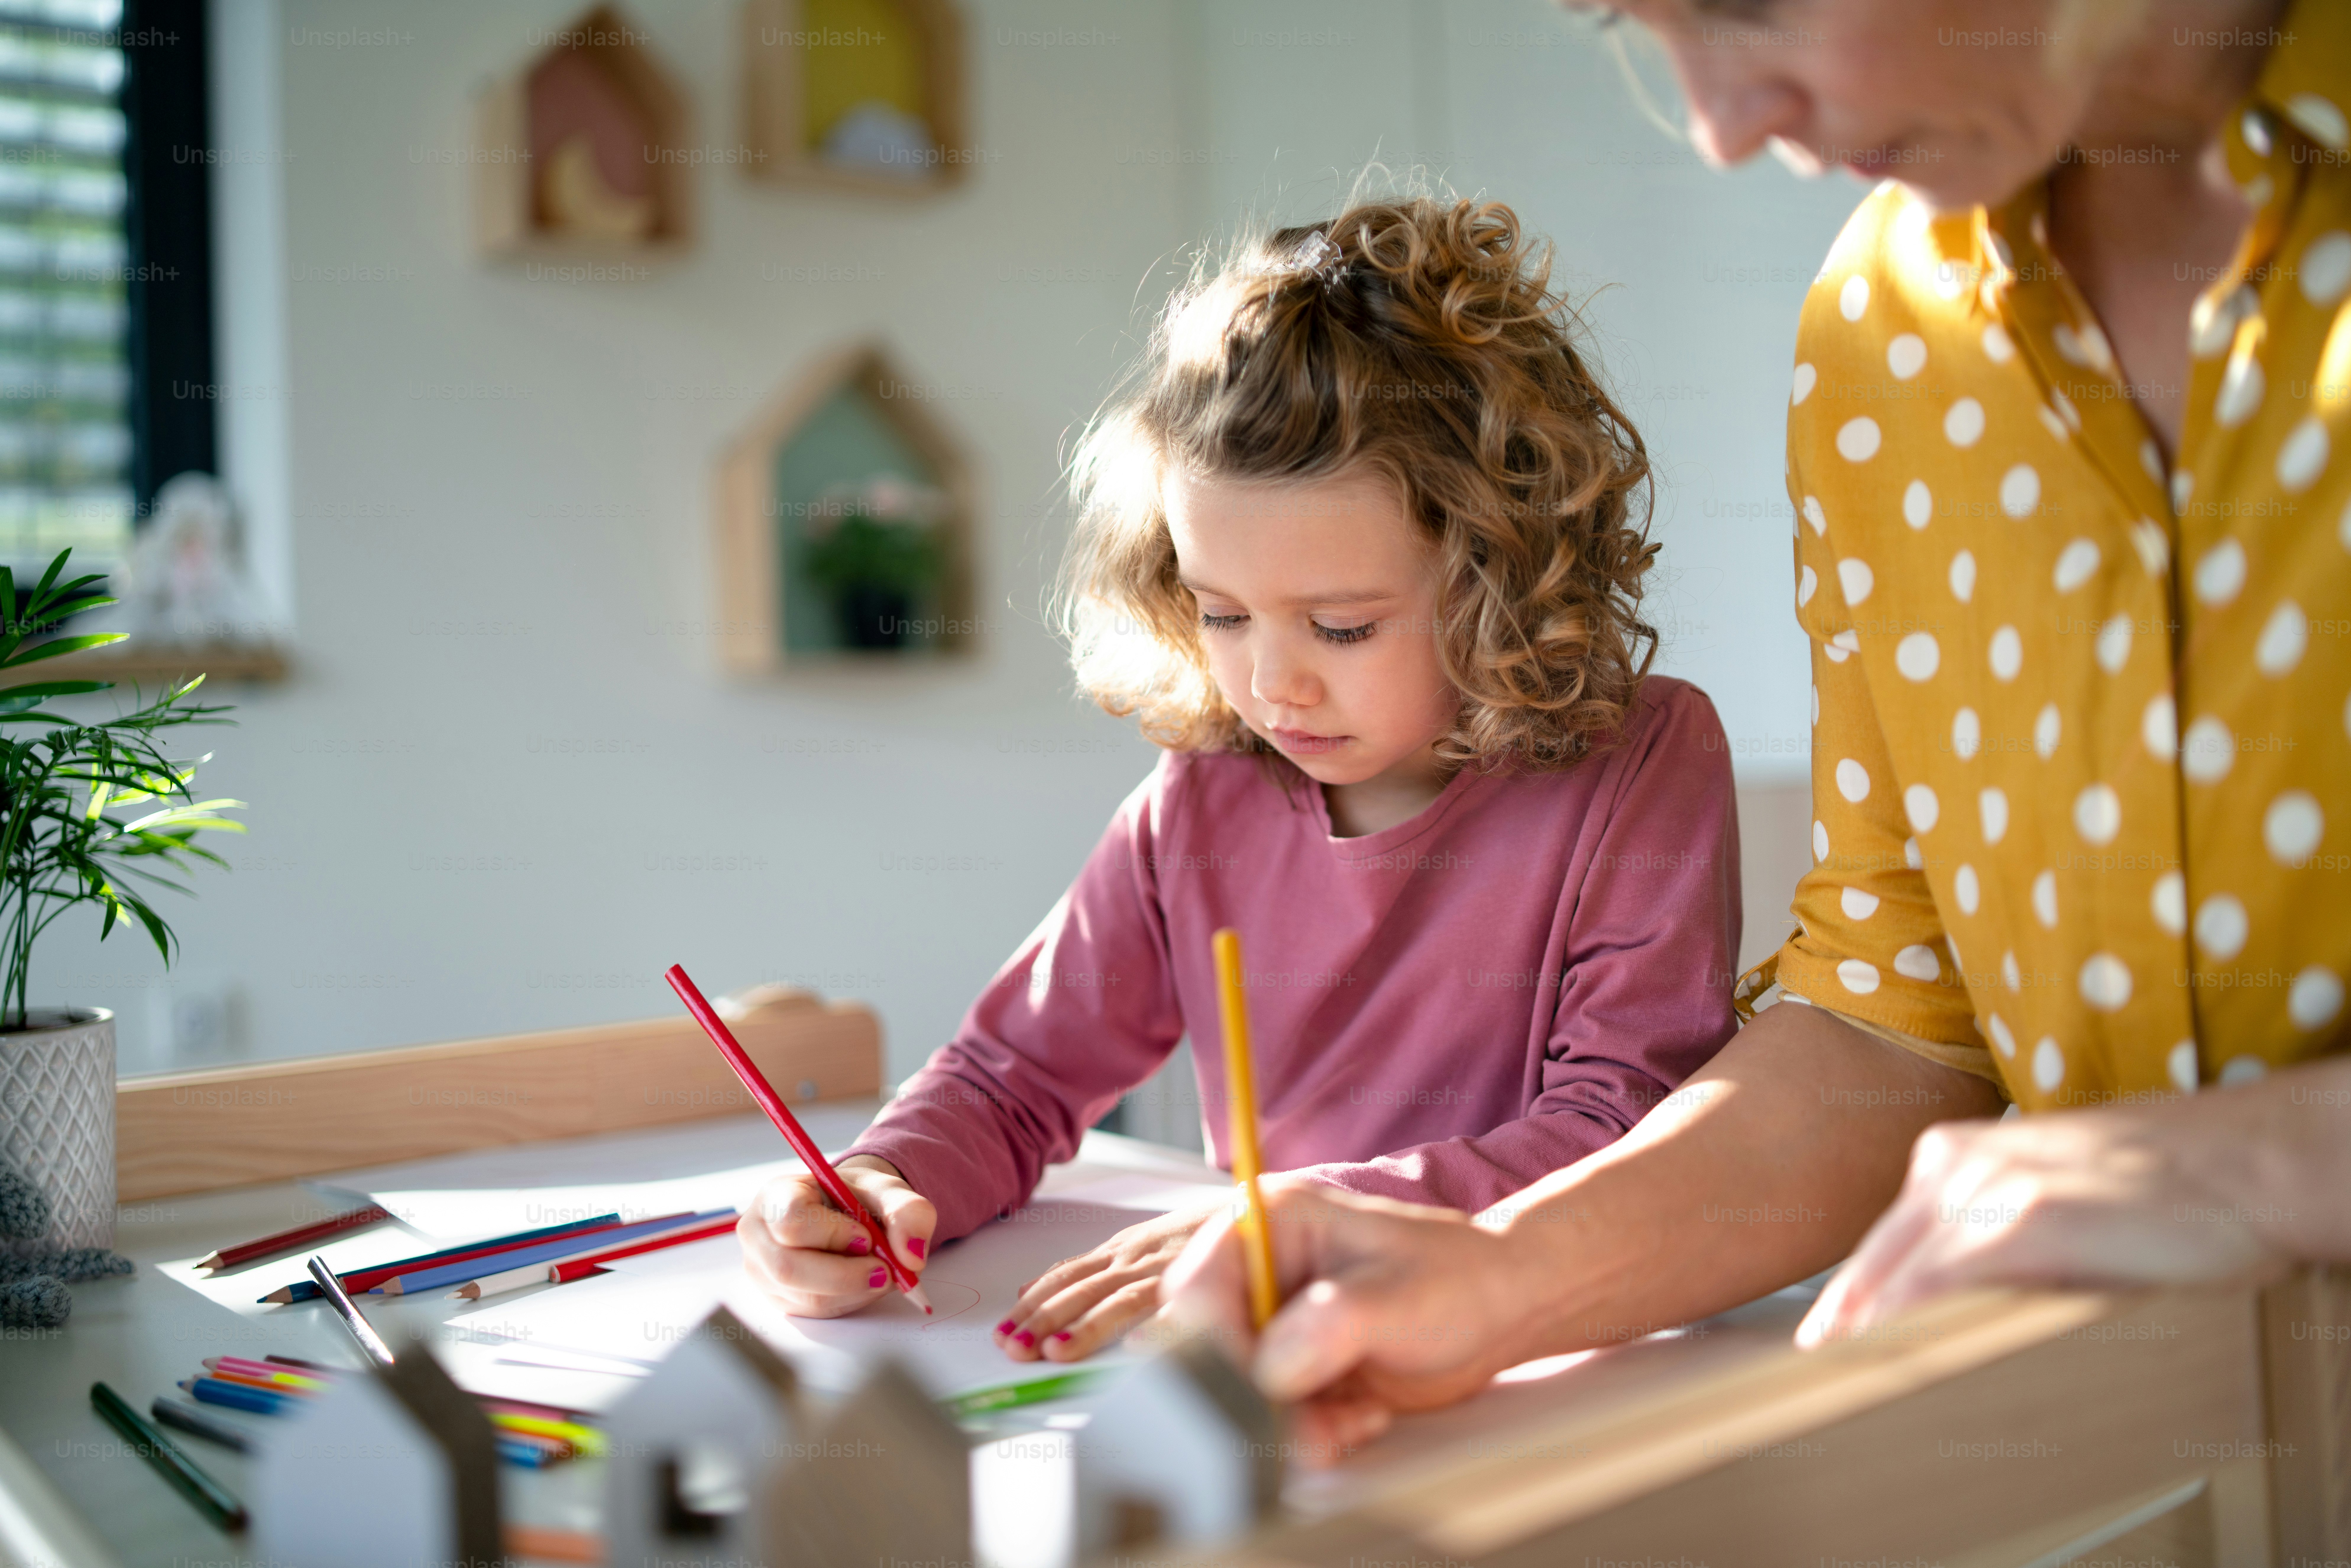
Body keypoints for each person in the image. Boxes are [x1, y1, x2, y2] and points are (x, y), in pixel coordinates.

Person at [1161, 0, 2351, 1451]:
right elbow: (1897, 1009)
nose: (1723, 129)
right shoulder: (1883, 334)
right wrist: (1502, 1274)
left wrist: (2274, 1160)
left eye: (1739, 6)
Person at [735, 197, 1748, 1364]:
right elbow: (1013, 1077)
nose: (1273, 687)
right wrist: (874, 1181)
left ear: (1496, 581)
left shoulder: (1643, 761)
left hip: (1567, 1351)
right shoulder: (1203, 793)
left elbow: (1616, 1136)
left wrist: (1295, 1224)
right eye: (1219, 613)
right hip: (1273, 1352)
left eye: (1340, 626)